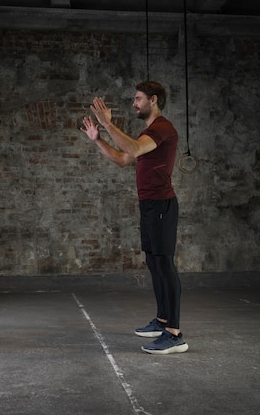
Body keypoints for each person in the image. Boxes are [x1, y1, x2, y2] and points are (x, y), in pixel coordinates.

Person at [80, 81, 188, 355]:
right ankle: (163, 320)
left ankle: (174, 334)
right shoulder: (148, 133)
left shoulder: (162, 128)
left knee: (164, 264)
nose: (134, 103)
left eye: (138, 99)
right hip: (150, 206)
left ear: (153, 100)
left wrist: (107, 125)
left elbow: (135, 150)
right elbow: (121, 158)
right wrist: (98, 139)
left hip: (162, 204)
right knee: (154, 262)